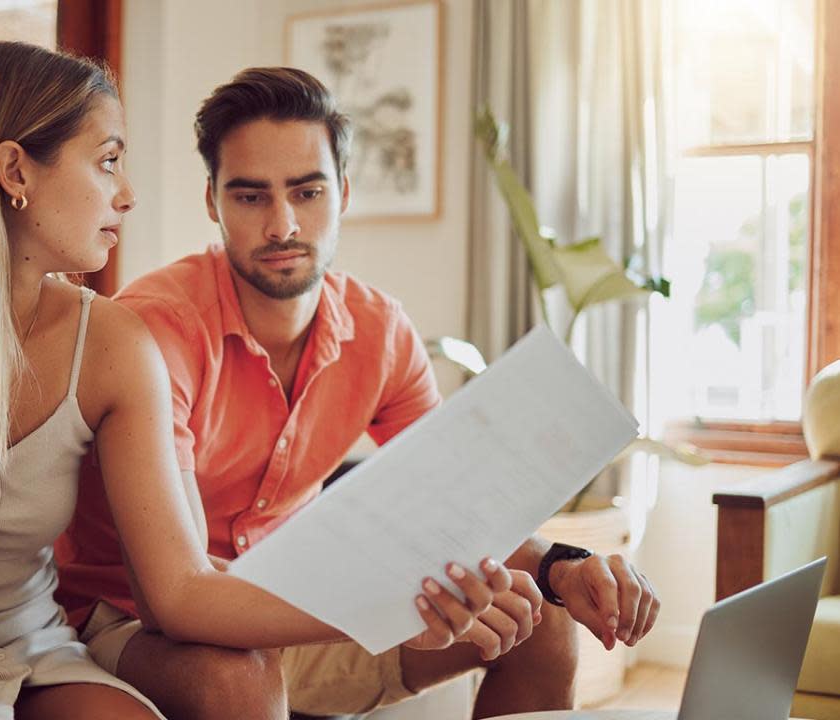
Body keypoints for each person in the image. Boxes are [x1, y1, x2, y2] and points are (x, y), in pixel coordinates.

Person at [0, 44, 513, 720]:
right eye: (107, 163)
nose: (126, 195)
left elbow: (180, 590)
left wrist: (408, 600)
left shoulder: (111, 342)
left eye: (308, 190)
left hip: (37, 650)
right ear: (16, 171)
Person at [55, 67, 661, 720]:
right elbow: (176, 599)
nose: (283, 224)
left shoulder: (380, 332)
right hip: (132, 618)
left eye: (307, 191)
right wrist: (379, 608)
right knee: (237, 677)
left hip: (291, 605)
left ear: (342, 192)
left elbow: (456, 505)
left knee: (540, 620)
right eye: (251, 196)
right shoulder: (156, 330)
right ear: (214, 201)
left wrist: (565, 569)